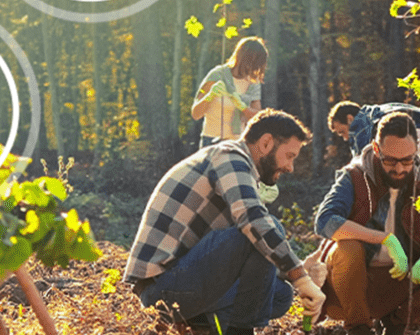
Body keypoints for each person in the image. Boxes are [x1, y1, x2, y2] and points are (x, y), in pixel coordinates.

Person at [123, 109, 325, 335]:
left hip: (184, 280)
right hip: (162, 289)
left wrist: (299, 272)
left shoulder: (237, 169)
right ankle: (239, 331)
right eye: (290, 156)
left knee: (280, 295)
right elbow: (253, 220)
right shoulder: (230, 156)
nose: (290, 167)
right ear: (266, 143)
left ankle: (203, 323)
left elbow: (253, 259)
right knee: (265, 227)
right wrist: (300, 277)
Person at [314, 111, 420, 335]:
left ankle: (395, 324)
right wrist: (385, 239)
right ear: (376, 149)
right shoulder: (354, 176)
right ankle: (359, 328)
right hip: (349, 288)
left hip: (400, 287)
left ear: (416, 151)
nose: (400, 169)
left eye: (406, 160)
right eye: (390, 160)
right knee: (348, 247)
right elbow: (325, 221)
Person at [328, 101, 420, 206]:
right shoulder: (378, 113)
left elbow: (365, 167)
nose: (345, 138)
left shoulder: (366, 127)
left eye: (342, 132)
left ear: (350, 119)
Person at [191, 36, 267, 149]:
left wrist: (242, 106)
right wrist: (210, 95)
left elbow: (257, 118)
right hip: (211, 140)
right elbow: (196, 114)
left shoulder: (253, 82)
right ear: (243, 57)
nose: (255, 68)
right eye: (254, 62)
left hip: (237, 143)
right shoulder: (217, 74)